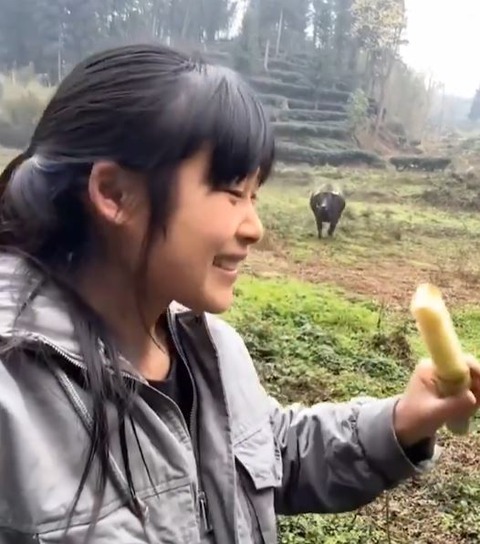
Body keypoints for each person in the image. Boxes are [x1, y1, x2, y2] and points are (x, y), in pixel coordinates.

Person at [0, 43, 478, 544]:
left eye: (255, 195)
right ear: (115, 194)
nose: (255, 227)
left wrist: (400, 422)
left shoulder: (214, 351)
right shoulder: (13, 396)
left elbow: (272, 450)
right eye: (232, 193)